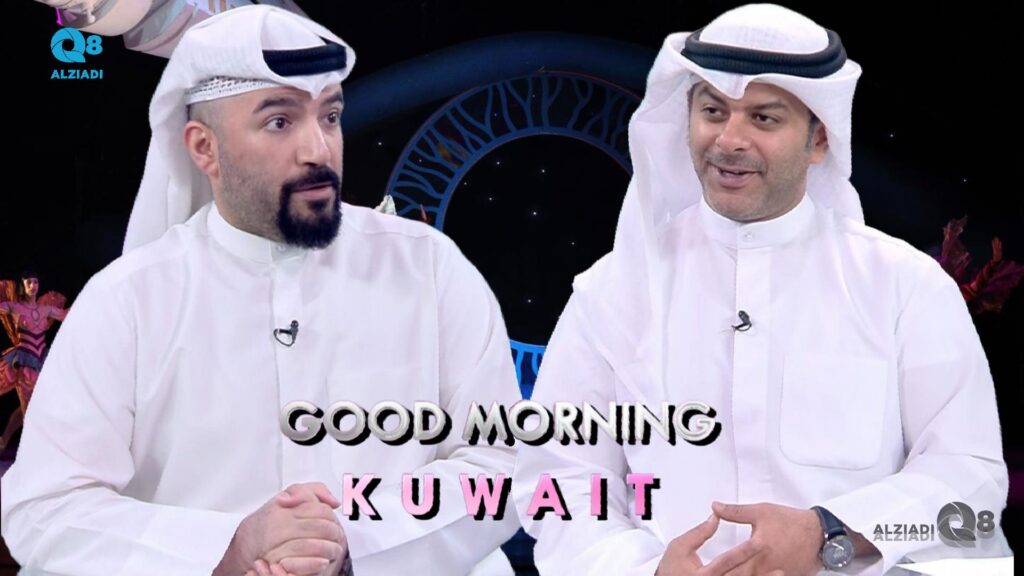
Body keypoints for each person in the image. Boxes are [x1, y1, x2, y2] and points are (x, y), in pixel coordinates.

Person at [1, 5, 520, 575]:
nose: (318, 150)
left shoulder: (429, 269)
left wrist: (351, 541)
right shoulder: (128, 301)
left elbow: (503, 465)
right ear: (204, 148)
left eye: (330, 117)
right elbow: (43, 508)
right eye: (280, 122)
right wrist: (229, 547)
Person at [512, 4, 1009, 575]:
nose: (729, 139)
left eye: (764, 118)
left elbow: (972, 488)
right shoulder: (612, 292)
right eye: (712, 111)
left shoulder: (904, 287)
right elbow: (559, 483)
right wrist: (645, 570)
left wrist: (831, 534)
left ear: (819, 140)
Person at [0, 272, 67, 451]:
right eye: (29, 282)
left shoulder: (45, 309)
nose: (33, 286)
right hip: (24, 364)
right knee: (30, 410)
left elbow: (65, 315)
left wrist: (89, 300)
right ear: (23, 285)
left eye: (35, 282)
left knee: (30, 408)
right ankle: (36, 450)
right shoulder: (14, 307)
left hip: (42, 363)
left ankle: (4, 440)